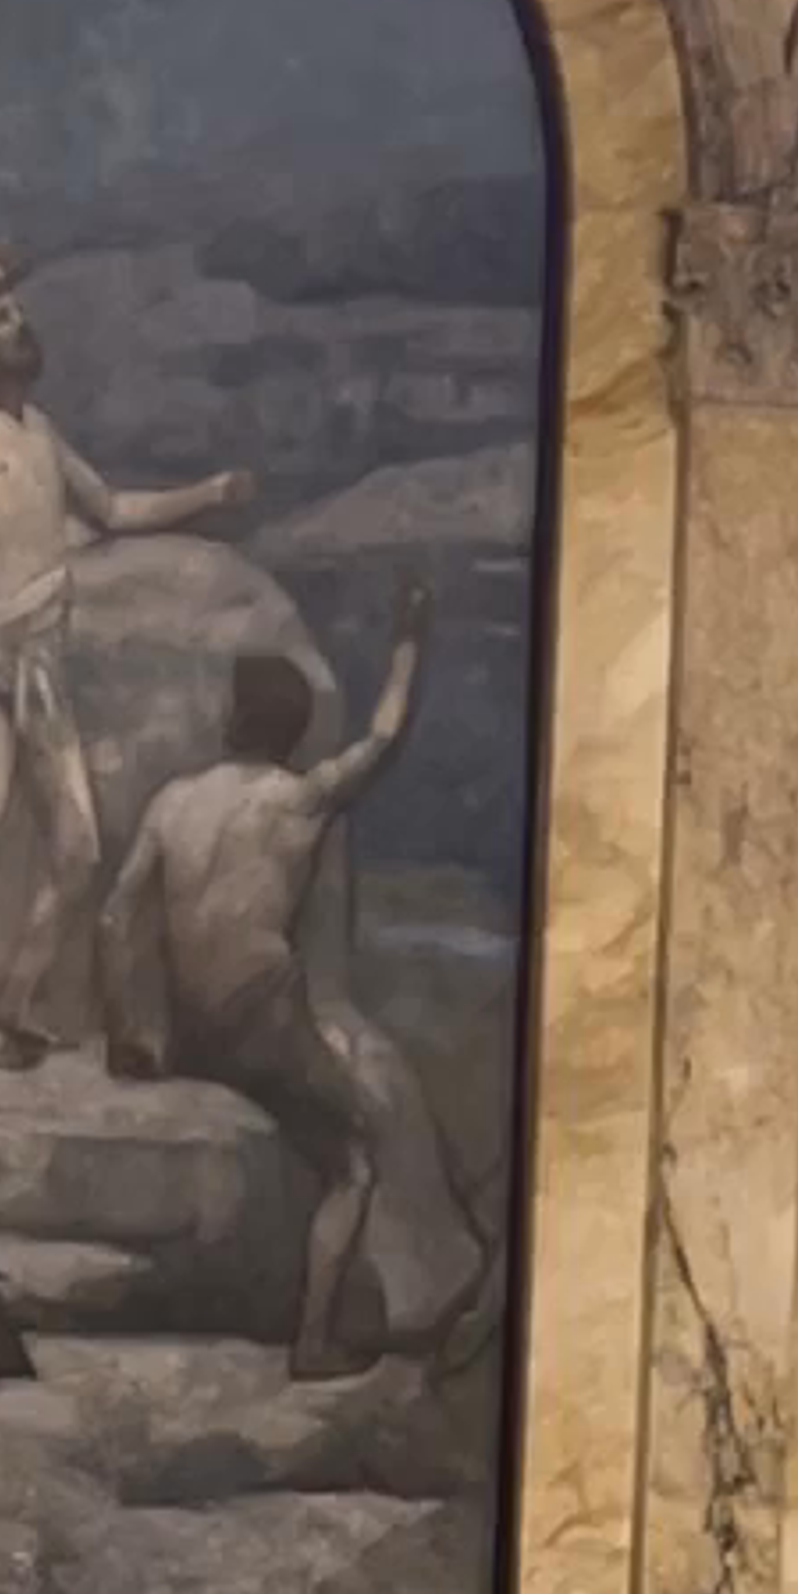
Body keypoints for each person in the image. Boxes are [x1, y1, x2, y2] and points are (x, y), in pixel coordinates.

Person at [98, 588, 490, 1382]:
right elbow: (384, 735)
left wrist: (132, 1030)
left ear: (230, 720)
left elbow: (113, 919)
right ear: (296, 732)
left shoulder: (174, 802)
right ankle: (312, 1341)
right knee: (355, 1158)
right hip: (260, 1026)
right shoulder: (301, 799)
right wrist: (410, 642)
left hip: (188, 1027)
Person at [0, 243, 250, 1065]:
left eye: (17, 314)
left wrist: (211, 493)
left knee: (80, 847)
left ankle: (14, 1002)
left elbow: (115, 508)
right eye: (3, 320)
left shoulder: (40, 433)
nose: (21, 328)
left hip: (41, 654)